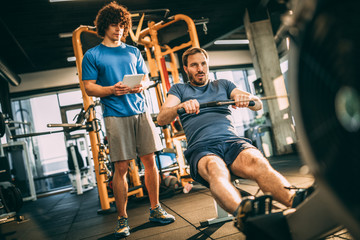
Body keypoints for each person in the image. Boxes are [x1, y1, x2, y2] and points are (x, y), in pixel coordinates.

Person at [157, 47, 302, 231]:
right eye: (194, 65)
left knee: (258, 162)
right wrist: (181, 106)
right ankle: (246, 217)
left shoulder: (223, 85)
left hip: (232, 142)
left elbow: (256, 104)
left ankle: (297, 201)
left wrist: (245, 98)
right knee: (215, 169)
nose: (200, 69)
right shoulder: (179, 89)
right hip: (202, 149)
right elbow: (162, 118)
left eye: (203, 64)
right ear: (186, 69)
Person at [81, 2, 175, 238]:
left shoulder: (133, 51)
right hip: (115, 115)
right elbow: (90, 88)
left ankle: (155, 209)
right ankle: (122, 220)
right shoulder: (93, 55)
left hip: (141, 111)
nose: (118, 30)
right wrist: (113, 89)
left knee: (150, 161)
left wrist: (139, 86)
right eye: (114, 25)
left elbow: (144, 79)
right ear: (104, 26)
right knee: (121, 167)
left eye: (122, 26)